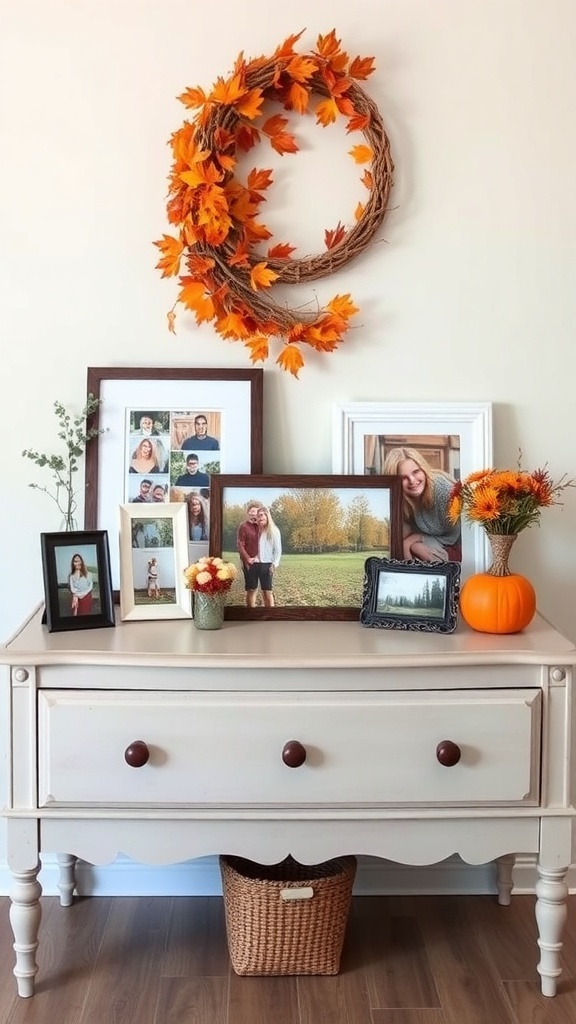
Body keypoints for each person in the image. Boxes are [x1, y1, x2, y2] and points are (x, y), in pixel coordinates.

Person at [382, 446, 462, 562]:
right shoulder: (402, 498)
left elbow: (455, 534)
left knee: (416, 547)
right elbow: (399, 537)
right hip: (434, 540)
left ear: (423, 470)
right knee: (404, 547)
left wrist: (412, 540)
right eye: (404, 478)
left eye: (416, 472)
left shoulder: (443, 491)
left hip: (458, 546)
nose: (412, 481)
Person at [237, 502, 262, 607]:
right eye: (251, 511)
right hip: (248, 561)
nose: (253, 513)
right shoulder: (243, 526)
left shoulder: (261, 526)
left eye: (255, 511)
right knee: (251, 588)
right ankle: (250, 611)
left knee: (259, 588)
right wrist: (247, 559)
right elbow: (240, 544)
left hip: (260, 560)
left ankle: (254, 608)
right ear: (248, 512)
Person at [256, 506, 282, 607]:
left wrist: (274, 564)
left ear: (267, 516)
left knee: (268, 592)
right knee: (262, 591)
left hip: (267, 564)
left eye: (262, 515)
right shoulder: (258, 530)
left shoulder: (274, 530)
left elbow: (278, 550)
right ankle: (265, 612)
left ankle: (271, 614)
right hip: (257, 563)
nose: (260, 518)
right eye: (258, 516)